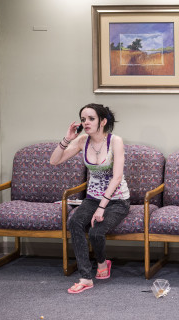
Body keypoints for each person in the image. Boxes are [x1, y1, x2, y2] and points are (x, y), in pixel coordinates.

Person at [50, 103, 130, 294]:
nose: (86, 123)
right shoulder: (82, 141)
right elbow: (54, 161)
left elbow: (117, 177)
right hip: (92, 198)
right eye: (83, 119)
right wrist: (67, 139)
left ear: (103, 121)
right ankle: (86, 277)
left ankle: (103, 263)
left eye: (91, 119)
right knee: (75, 222)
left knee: (95, 232)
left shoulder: (115, 141)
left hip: (117, 200)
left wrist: (102, 207)